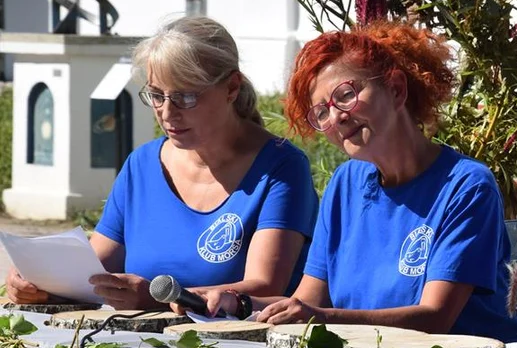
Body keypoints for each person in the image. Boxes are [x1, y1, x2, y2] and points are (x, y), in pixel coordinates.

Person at [200, 21, 517, 343]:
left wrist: (324, 320)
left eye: (346, 94)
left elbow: (436, 317)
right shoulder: (346, 183)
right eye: (322, 112)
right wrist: (236, 301)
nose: (337, 117)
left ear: (396, 89)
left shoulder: (466, 186)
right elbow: (308, 302)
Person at [5, 16, 318, 310]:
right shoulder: (142, 164)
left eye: (186, 97)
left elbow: (264, 288)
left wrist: (155, 296)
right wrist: (39, 281)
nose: (167, 113)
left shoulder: (282, 168)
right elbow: (92, 271)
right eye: (156, 96)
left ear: (232, 88)